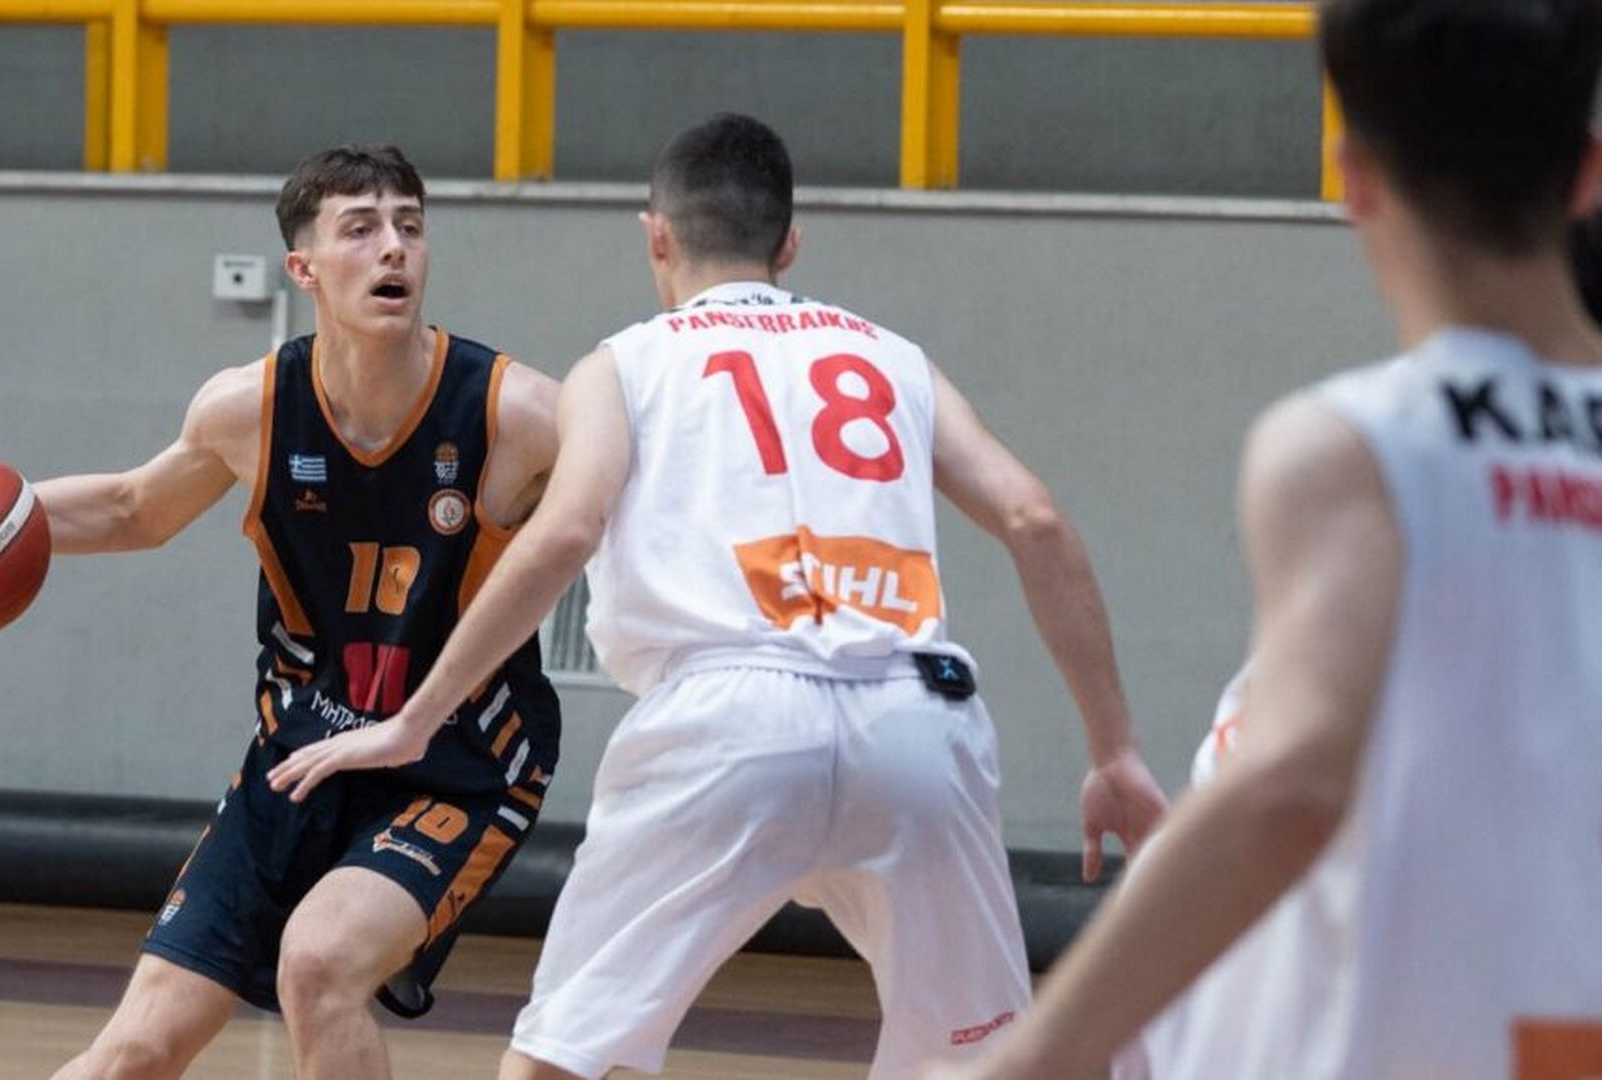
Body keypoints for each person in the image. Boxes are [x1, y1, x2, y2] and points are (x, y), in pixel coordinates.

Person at [265, 113, 1168, 1079]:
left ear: (656, 236)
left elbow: (564, 534)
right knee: (985, 1061)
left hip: (726, 718)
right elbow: (1034, 518)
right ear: (790, 242)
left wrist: (415, 719)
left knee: (559, 1059)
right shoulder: (893, 357)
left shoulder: (624, 364)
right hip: (915, 719)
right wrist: (1113, 749)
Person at [954, 1, 1602, 1077]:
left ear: (1352, 175)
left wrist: (1029, 1059)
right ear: (1587, 171)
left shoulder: (1354, 445)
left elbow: (1289, 784)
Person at [0, 145, 563, 1080]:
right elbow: (132, 509)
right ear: (303, 268)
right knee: (135, 1051)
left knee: (318, 966)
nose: (394, 248)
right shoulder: (249, 408)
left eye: (410, 227)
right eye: (360, 229)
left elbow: (637, 500)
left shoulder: (517, 414)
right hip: (297, 757)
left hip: (455, 765)